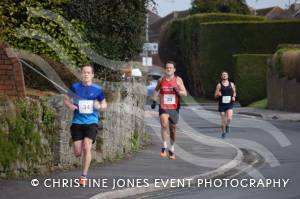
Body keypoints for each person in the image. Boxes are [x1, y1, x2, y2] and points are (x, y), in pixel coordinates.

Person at [64, 64, 107, 186]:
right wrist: (70, 106)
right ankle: (74, 143)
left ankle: (83, 175)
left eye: (88, 73)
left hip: (91, 122)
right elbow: (66, 99)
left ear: (92, 75)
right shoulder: (75, 87)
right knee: (78, 152)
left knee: (87, 146)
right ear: (81, 74)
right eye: (84, 72)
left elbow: (105, 104)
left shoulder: (97, 89)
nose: (86, 74)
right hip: (77, 122)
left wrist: (99, 106)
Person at [151, 61, 187, 160]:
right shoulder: (161, 80)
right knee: (164, 125)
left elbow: (185, 93)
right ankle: (164, 146)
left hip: (174, 108)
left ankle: (172, 148)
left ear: (174, 69)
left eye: (171, 68)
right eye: (167, 67)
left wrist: (178, 91)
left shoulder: (178, 80)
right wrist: (154, 100)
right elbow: (156, 90)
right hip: (163, 106)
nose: (169, 69)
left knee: (173, 129)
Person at [214, 71, 236, 139]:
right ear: (221, 77)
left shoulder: (231, 84)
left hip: (229, 104)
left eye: (225, 75)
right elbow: (215, 95)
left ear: (228, 76)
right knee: (223, 120)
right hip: (222, 105)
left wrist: (233, 97)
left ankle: (227, 125)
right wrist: (218, 94)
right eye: (223, 75)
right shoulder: (219, 85)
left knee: (229, 118)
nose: (224, 76)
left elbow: (234, 92)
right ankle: (223, 132)